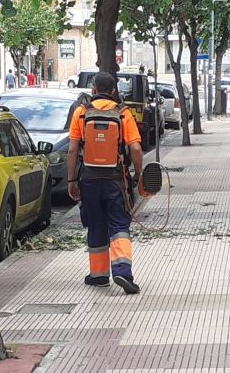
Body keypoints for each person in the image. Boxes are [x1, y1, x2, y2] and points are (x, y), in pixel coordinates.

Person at [67, 72, 143, 294]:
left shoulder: (81, 113)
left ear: (93, 89)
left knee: (96, 224)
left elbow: (72, 149)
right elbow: (136, 148)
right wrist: (138, 175)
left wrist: (72, 180)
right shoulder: (122, 114)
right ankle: (122, 271)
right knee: (119, 225)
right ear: (112, 91)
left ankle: (99, 276)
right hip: (115, 180)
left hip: (88, 180)